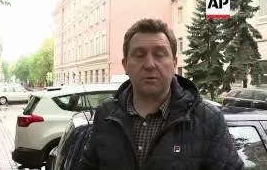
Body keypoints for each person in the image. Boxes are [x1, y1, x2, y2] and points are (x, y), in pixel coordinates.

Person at [79, 19, 244, 170]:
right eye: (139, 55)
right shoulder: (106, 114)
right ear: (125, 65)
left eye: (159, 54)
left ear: (174, 63)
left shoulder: (208, 119)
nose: (150, 64)